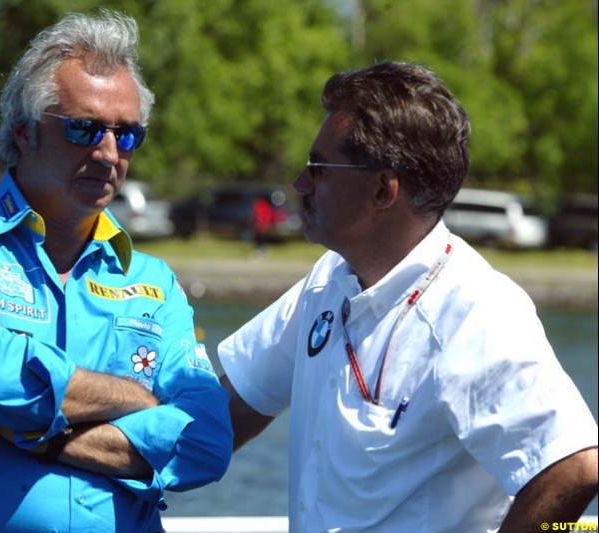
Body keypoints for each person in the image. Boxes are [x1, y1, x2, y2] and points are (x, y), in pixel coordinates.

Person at [0, 10, 232, 532]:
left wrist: (41, 433)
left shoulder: (156, 283)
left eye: (128, 135)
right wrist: (139, 399)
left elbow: (206, 441)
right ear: (22, 131)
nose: (109, 153)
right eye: (83, 129)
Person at [218, 61, 598, 532]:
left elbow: (573, 465)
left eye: (318, 168)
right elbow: (230, 408)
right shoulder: (330, 280)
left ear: (383, 190)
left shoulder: (474, 311)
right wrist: (109, 445)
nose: (300, 184)